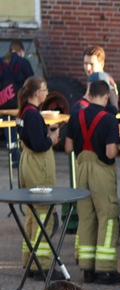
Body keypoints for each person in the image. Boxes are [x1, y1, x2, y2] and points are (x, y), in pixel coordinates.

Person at [66, 80, 120, 284]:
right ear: (107, 96)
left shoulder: (76, 115)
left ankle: (87, 268)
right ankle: (105, 268)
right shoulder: (109, 119)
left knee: (86, 218)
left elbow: (68, 147)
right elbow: (110, 152)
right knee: (107, 216)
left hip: (81, 169)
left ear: (89, 94)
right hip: (102, 171)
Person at [15, 77, 60, 272]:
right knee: (43, 214)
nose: (46, 92)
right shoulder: (33, 114)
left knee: (32, 215)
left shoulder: (24, 111)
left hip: (28, 164)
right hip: (38, 167)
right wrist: (52, 138)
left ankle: (30, 260)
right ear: (35, 93)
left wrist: (45, 132)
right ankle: (43, 265)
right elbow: (39, 145)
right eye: (43, 89)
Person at [81, 46, 119, 111]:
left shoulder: (106, 81)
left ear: (102, 64)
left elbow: (113, 109)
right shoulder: (94, 80)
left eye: (91, 64)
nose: (88, 68)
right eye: (85, 63)